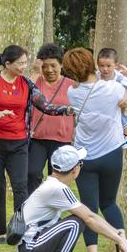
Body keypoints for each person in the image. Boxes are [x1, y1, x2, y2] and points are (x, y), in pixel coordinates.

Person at [0, 44, 73, 244]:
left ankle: (19, 231)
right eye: (20, 63)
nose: (24, 67)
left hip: (18, 144)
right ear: (7, 63)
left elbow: (45, 105)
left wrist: (66, 110)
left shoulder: (26, 84)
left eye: (26, 63)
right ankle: (1, 232)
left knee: (21, 187)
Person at [64, 47, 127, 252]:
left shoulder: (72, 93)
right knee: (109, 203)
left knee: (89, 210)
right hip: (112, 154)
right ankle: (125, 247)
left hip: (85, 157)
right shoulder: (114, 88)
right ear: (93, 65)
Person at [18, 145, 127, 252]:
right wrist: (120, 240)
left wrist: (118, 235)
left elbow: (90, 215)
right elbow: (89, 218)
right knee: (75, 222)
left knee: (77, 220)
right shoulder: (57, 188)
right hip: (31, 251)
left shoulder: (54, 185)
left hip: (31, 249)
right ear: (75, 169)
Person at [27, 43, 77, 195]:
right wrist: (36, 72)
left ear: (61, 65)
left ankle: (53, 214)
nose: (49, 70)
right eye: (45, 66)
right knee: (32, 173)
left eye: (53, 65)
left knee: (57, 180)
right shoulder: (36, 82)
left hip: (62, 140)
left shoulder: (72, 86)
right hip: (38, 139)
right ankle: (33, 208)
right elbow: (26, 92)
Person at [96, 48, 127, 148]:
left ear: (115, 65)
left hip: (117, 104)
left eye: (108, 66)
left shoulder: (119, 77)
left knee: (121, 117)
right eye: (102, 66)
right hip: (102, 105)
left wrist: (125, 98)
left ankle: (126, 134)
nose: (105, 69)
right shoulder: (97, 76)